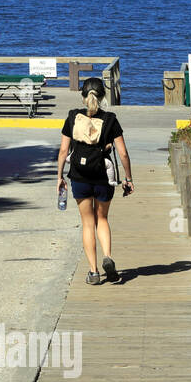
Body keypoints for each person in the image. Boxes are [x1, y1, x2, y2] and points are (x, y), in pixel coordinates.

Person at [57, 76, 134, 284]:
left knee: (88, 223)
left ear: (83, 96)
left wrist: (59, 177)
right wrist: (128, 178)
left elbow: (64, 150)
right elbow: (124, 153)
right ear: (102, 97)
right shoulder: (110, 120)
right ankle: (108, 257)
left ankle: (93, 272)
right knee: (103, 219)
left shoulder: (73, 117)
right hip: (103, 176)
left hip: (79, 176)